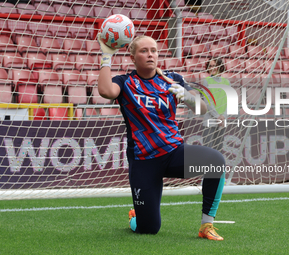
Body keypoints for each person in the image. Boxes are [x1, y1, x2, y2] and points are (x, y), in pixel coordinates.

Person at [97, 34, 226, 241]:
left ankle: (206, 225)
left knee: (216, 162)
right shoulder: (125, 82)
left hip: (174, 153)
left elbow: (202, 108)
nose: (150, 55)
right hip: (144, 162)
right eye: (144, 51)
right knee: (149, 229)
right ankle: (136, 217)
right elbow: (105, 91)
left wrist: (188, 97)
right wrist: (106, 55)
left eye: (154, 50)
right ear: (132, 57)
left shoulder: (173, 79)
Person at [202, 57, 230, 152]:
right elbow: (207, 101)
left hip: (222, 121)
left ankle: (217, 167)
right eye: (210, 66)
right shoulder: (206, 81)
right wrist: (217, 116)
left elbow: (228, 102)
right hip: (210, 120)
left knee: (218, 149)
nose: (212, 68)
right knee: (207, 150)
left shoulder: (226, 82)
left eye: (214, 65)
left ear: (220, 67)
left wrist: (224, 116)